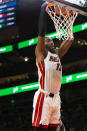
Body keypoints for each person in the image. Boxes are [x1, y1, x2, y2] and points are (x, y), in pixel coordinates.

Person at [32, 1, 74, 131]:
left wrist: (67, 16)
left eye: (51, 39)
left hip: (56, 97)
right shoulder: (41, 54)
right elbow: (42, 32)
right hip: (43, 97)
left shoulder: (57, 54)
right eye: (47, 39)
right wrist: (43, 9)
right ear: (42, 44)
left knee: (55, 129)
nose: (50, 40)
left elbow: (70, 38)